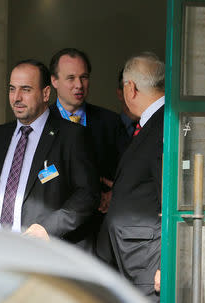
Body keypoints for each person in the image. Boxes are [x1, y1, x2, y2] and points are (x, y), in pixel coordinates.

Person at [0, 59, 99, 241]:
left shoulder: (72, 136)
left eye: (25, 89)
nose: (16, 97)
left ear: (45, 93)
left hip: (39, 250)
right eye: (12, 89)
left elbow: (87, 195)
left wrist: (48, 228)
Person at [97, 52, 165, 301]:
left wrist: (168, 264)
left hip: (147, 262)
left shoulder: (163, 124)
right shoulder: (153, 122)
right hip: (133, 257)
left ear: (131, 88)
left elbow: (171, 198)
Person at [49, 48, 128, 251]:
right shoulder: (41, 123)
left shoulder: (110, 122)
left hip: (100, 234)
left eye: (84, 77)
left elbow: (129, 170)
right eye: (71, 78)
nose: (79, 85)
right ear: (54, 81)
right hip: (54, 232)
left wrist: (114, 194)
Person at [117, 68, 139, 138]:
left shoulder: (157, 127)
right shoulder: (109, 126)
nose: (135, 94)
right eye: (130, 90)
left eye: (138, 89)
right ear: (120, 94)